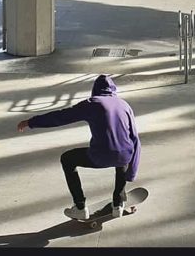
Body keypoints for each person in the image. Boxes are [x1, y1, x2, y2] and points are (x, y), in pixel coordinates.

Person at [17, 75, 141, 220]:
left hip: (100, 156)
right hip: (125, 156)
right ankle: (118, 203)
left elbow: (61, 117)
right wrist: (131, 173)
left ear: (95, 90)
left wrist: (31, 122)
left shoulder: (92, 103)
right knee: (122, 151)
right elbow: (135, 139)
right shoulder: (124, 105)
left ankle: (80, 207)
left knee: (67, 159)